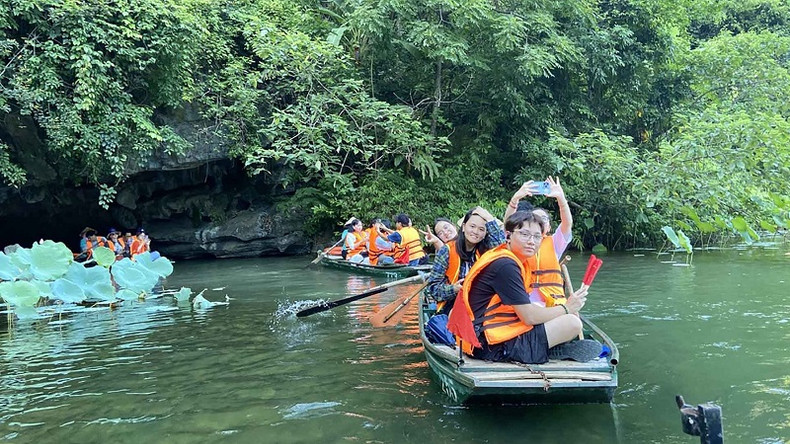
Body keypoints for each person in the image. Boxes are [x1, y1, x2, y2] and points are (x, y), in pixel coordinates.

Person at [449, 211, 601, 364]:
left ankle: (546, 347)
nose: (531, 241)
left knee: (557, 315)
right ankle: (544, 349)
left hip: (483, 336)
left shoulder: (512, 259)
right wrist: (567, 307)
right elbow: (529, 317)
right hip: (489, 345)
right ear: (508, 235)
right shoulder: (506, 265)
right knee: (572, 322)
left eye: (537, 237)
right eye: (525, 234)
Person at [505, 177, 573, 307]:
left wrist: (561, 199)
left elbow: (567, 223)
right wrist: (515, 199)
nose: (539, 222)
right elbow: (509, 225)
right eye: (535, 219)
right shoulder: (518, 241)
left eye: (543, 219)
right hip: (524, 303)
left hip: (552, 302)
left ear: (549, 227)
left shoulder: (555, 242)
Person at [426, 207, 504, 314]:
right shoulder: (447, 250)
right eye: (472, 226)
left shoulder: (487, 250)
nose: (476, 232)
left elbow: (503, 252)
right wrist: (454, 289)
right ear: (463, 227)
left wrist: (489, 219)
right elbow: (433, 289)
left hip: (482, 303)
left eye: (481, 229)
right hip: (454, 304)